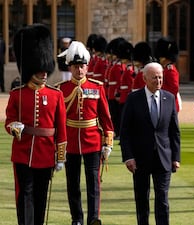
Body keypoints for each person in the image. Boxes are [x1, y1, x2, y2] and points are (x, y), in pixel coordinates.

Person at [5, 24, 67, 225]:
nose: (44, 73)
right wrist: (16, 128)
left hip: (46, 152)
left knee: (41, 196)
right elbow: (9, 122)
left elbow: (61, 129)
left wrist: (60, 157)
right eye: (39, 70)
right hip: (23, 152)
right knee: (25, 195)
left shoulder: (56, 94)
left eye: (45, 70)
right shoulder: (17, 94)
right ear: (31, 69)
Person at [57, 41, 114, 225]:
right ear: (70, 68)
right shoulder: (61, 89)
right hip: (71, 141)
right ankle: (77, 218)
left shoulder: (97, 87)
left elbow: (106, 118)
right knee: (72, 183)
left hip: (92, 141)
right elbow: (57, 120)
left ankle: (93, 218)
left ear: (86, 67)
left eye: (81, 66)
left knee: (94, 183)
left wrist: (108, 143)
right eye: (75, 67)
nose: (79, 70)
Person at [120, 62, 181, 225]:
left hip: (163, 157)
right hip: (140, 158)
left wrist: (176, 157)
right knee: (142, 199)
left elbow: (174, 131)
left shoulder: (169, 98)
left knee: (162, 199)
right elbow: (125, 131)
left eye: (161, 77)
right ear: (144, 78)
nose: (158, 81)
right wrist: (128, 157)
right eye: (155, 77)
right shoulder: (134, 98)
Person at [155, 37, 182, 112]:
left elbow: (174, 89)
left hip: (169, 104)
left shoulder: (171, 70)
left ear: (164, 57)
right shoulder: (166, 69)